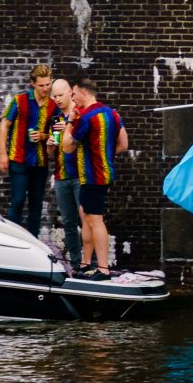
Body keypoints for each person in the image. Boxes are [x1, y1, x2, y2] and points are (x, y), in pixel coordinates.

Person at [63, 77, 128, 280]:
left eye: (73, 94)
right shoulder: (113, 115)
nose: (73, 99)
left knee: (95, 220)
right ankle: (86, 263)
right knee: (87, 215)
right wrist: (104, 157)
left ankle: (102, 269)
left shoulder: (85, 118)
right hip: (105, 172)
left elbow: (66, 147)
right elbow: (123, 144)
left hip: (91, 176)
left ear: (83, 92)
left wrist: (69, 122)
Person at [0, 64, 56, 237]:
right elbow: (4, 126)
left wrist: (44, 136)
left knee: (36, 205)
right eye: (41, 85)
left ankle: (33, 241)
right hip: (18, 159)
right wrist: (3, 154)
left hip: (40, 162)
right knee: (17, 202)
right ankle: (12, 240)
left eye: (48, 84)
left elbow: (58, 134)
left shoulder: (53, 105)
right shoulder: (19, 100)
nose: (46, 88)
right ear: (33, 83)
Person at [46, 78, 84, 268]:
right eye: (54, 96)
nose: (57, 99)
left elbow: (86, 143)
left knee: (88, 221)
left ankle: (91, 263)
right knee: (69, 223)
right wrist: (50, 146)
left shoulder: (79, 115)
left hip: (81, 175)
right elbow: (52, 155)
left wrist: (70, 128)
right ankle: (76, 264)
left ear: (70, 92)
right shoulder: (55, 118)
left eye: (61, 95)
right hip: (61, 175)